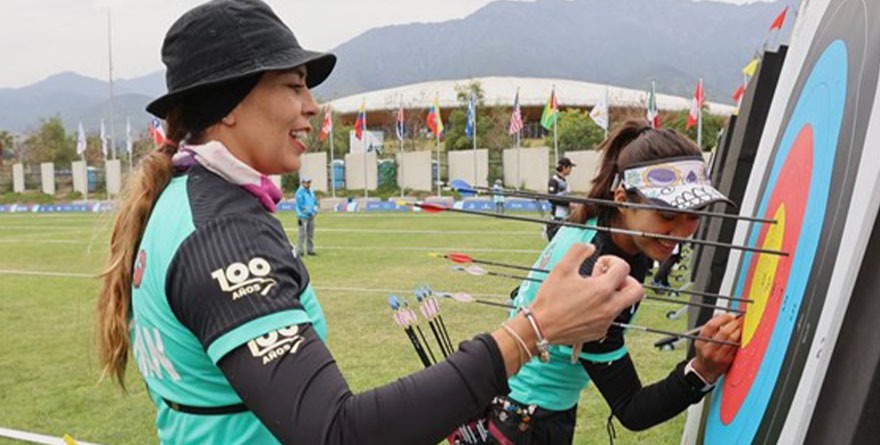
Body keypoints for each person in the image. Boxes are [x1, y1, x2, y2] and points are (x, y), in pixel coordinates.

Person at [94, 2, 644, 444]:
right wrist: (535, 328)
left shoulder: (184, 198)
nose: (312, 106)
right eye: (293, 85)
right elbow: (336, 430)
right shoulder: (223, 232)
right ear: (229, 103)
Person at [486, 119, 743, 444]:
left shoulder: (597, 220)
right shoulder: (601, 279)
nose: (680, 234)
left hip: (519, 404)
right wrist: (701, 371)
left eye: (694, 215)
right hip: (528, 420)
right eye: (666, 215)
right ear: (622, 198)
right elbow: (632, 409)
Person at [546, 157, 575, 240]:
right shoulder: (554, 180)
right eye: (570, 167)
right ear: (564, 167)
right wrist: (569, 204)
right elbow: (551, 198)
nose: (571, 170)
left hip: (565, 216)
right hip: (558, 216)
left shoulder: (564, 181)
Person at [295, 176, 318, 256]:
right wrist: (310, 213)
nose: (308, 184)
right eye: (306, 182)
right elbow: (301, 206)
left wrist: (315, 212)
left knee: (310, 234)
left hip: (311, 216)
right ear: (302, 183)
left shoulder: (311, 192)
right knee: (302, 234)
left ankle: (310, 250)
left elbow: (315, 202)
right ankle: (300, 251)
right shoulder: (299, 192)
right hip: (302, 216)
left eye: (309, 182)